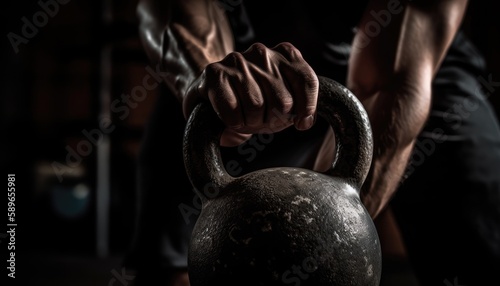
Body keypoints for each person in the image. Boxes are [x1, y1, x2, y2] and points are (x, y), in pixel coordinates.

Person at [123, 0, 500, 285]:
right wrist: (211, 83)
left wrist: (321, 239)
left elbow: (385, 84)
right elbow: (173, 9)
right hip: (244, 62)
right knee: (165, 259)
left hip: (406, 66)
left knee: (470, 185)